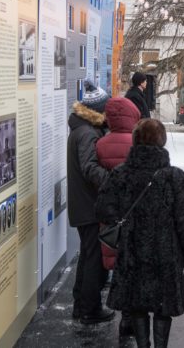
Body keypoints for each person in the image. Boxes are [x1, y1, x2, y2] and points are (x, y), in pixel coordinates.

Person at [96, 119, 184, 348]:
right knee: (164, 307)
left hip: (133, 253)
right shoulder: (174, 177)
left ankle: (143, 345)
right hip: (166, 253)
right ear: (161, 142)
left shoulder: (121, 174)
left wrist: (123, 222)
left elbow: (103, 208)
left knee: (137, 305)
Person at [67, 80, 114, 325]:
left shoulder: (82, 129)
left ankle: (81, 305)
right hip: (89, 206)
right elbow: (89, 168)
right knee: (93, 259)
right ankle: (89, 309)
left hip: (83, 205)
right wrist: (113, 180)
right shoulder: (87, 133)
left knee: (88, 257)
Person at [95, 96, 141, 339]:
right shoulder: (137, 143)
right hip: (135, 214)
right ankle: (133, 317)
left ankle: (124, 314)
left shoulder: (101, 144)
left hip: (113, 216)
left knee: (118, 265)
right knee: (135, 267)